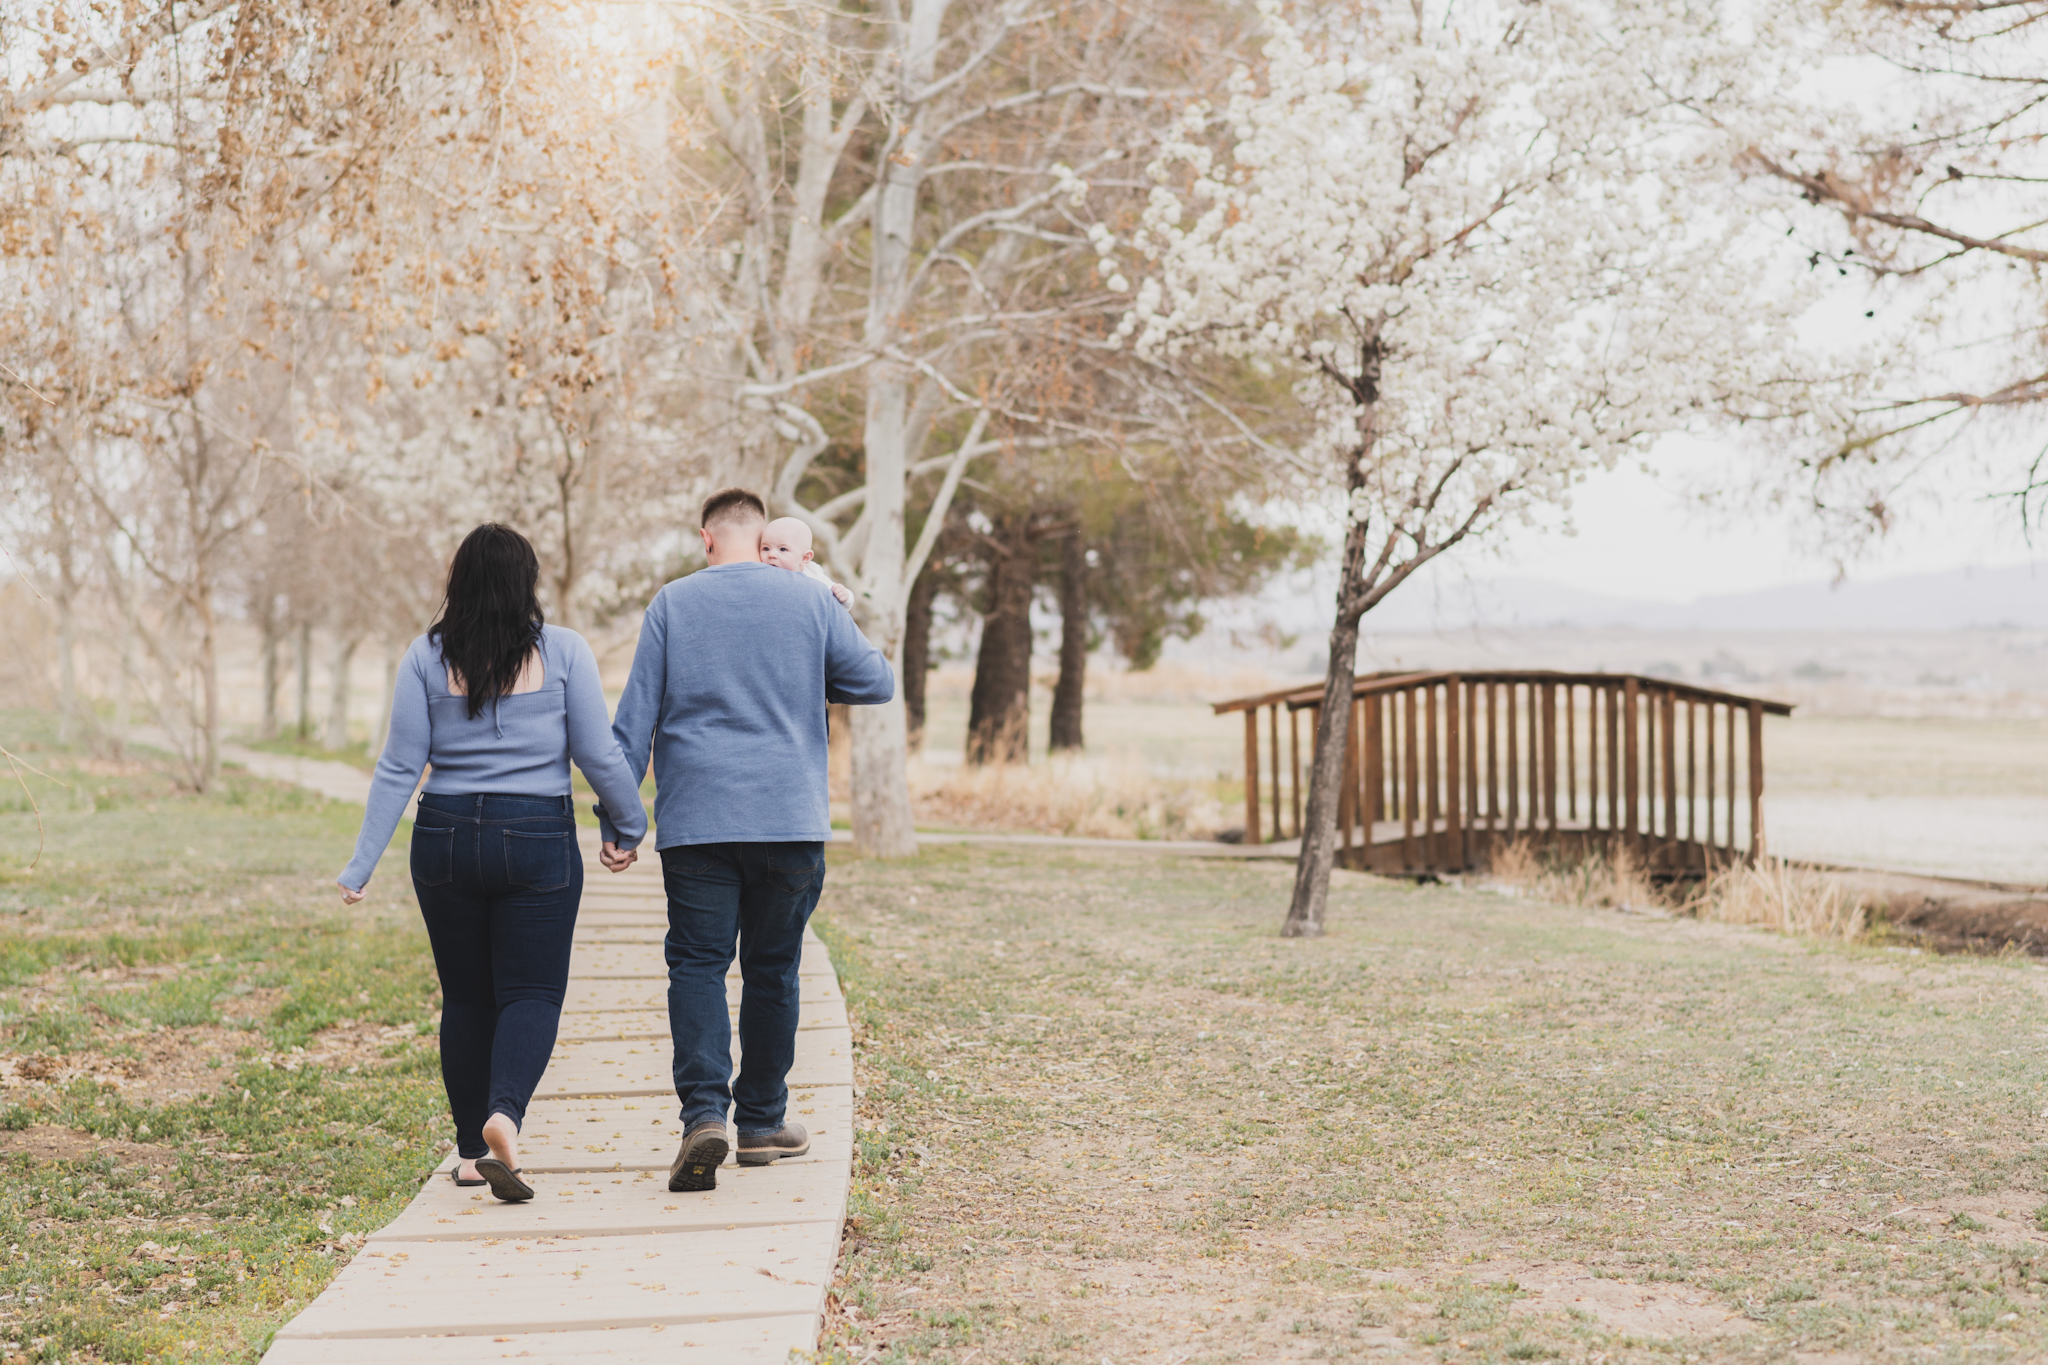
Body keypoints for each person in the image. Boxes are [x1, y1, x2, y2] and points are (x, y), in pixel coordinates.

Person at [337, 524, 647, 1205]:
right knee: (531, 992)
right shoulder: (565, 650)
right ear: (526, 582)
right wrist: (630, 821)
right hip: (536, 833)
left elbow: (399, 765)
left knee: (468, 996)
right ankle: (504, 1111)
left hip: (444, 835)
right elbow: (598, 755)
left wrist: (362, 863)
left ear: (460, 583)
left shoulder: (425, 655)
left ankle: (474, 1154)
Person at [602, 488, 893, 1192]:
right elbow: (875, 681)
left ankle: (705, 1115)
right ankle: (762, 1121)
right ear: (761, 537)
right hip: (790, 820)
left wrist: (622, 821)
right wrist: (821, 631)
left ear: (708, 539)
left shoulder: (673, 603)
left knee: (698, 965)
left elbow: (632, 722)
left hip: (699, 821)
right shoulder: (809, 600)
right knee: (773, 968)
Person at [760, 516, 854, 606]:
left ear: (805, 558)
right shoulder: (760, 571)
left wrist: (845, 596)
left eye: (783, 549)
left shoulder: (812, 574)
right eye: (766, 548)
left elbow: (836, 598)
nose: (771, 554)